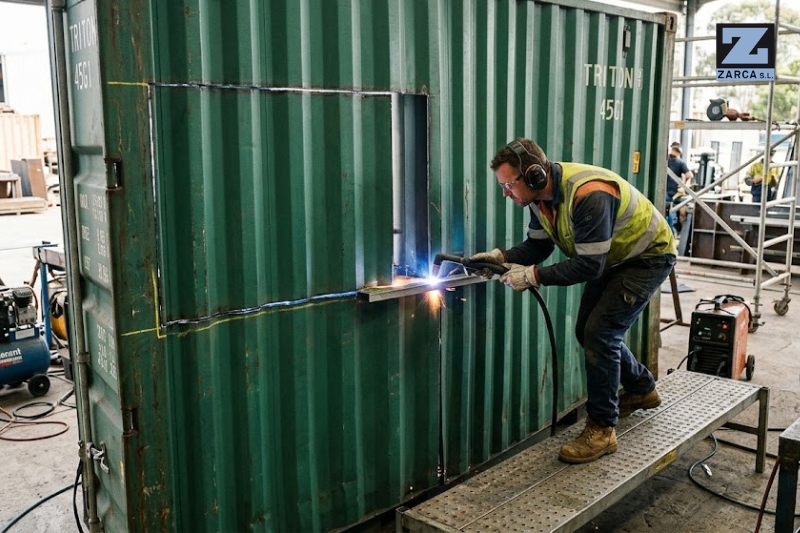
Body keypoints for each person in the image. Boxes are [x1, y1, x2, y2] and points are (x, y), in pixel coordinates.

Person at [470, 138, 677, 464]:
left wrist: (532, 276)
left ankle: (603, 430)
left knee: (600, 333)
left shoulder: (589, 194)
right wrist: (501, 257)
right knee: (587, 330)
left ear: (534, 175)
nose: (506, 193)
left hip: (646, 257)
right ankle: (641, 388)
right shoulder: (541, 201)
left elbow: (588, 265)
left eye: (509, 184)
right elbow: (537, 249)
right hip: (614, 259)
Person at [666, 145, 693, 235]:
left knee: (668, 211)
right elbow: (689, 175)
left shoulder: (665, 161)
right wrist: (684, 186)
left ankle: (671, 231)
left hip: (666, 192)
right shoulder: (681, 163)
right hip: (675, 193)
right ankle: (673, 231)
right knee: (672, 210)